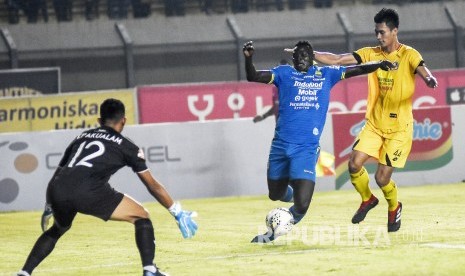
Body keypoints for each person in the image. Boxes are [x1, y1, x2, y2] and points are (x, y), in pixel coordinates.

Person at [17, 99, 198, 276]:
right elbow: (152, 185)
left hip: (57, 189)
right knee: (142, 216)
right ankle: (150, 270)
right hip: (88, 191)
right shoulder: (128, 146)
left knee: (57, 230)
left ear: (99, 120)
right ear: (124, 120)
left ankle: (24, 272)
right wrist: (176, 211)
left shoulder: (81, 137)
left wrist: (50, 203)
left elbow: (58, 173)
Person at [243, 40, 395, 243]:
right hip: (280, 146)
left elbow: (356, 69)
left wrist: (378, 64)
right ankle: (292, 186)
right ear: (293, 59)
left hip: (306, 149)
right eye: (297, 56)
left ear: (313, 57)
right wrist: (248, 58)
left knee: (302, 204)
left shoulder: (326, 74)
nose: (301, 59)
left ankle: (274, 232)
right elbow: (253, 76)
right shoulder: (284, 73)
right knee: (274, 194)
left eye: (305, 55)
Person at [314, 8, 438, 232]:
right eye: (376, 33)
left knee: (382, 178)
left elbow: (423, 70)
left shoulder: (409, 54)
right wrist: (310, 53)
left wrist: (429, 80)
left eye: (382, 32)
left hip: (399, 129)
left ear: (394, 31)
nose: (379, 37)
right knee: (353, 164)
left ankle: (394, 206)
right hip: (374, 124)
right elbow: (338, 59)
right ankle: (367, 199)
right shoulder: (372, 53)